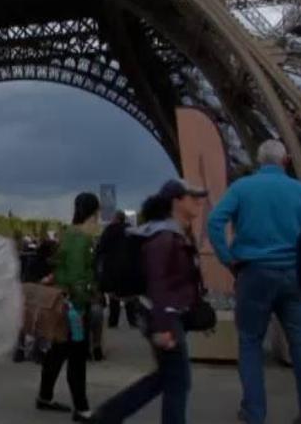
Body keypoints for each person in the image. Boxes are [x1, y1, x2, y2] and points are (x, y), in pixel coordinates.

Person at [207, 140, 301, 424]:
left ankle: (254, 414)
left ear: (258, 160)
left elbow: (215, 221)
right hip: (295, 274)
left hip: (254, 273)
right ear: (286, 160)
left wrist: (227, 258)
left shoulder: (243, 188)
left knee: (250, 343)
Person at [95, 179, 209, 423]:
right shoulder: (164, 237)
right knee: (177, 381)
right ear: (176, 201)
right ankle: (109, 414)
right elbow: (159, 282)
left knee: (169, 378)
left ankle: (108, 414)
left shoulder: (168, 233)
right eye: (192, 196)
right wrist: (163, 326)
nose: (199, 201)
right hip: (164, 316)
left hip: (164, 314)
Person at [36, 193, 99, 422]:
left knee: (58, 351)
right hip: (75, 308)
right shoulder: (82, 239)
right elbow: (77, 277)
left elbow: (61, 267)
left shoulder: (66, 234)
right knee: (77, 358)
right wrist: (86, 298)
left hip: (61, 303)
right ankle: (81, 409)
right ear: (94, 213)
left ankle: (44, 396)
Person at [96, 211, 139, 331]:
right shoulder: (131, 230)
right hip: (129, 267)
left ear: (115, 219)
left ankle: (113, 321)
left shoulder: (109, 230)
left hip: (112, 267)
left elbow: (101, 249)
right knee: (130, 295)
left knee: (114, 295)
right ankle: (133, 321)